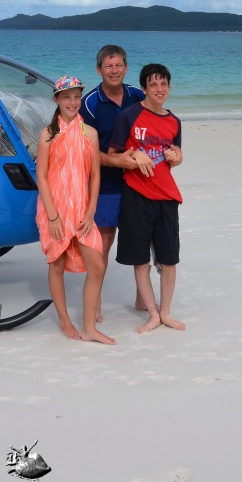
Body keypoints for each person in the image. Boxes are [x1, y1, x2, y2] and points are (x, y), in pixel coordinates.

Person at [35, 75, 115, 345]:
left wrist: (91, 211)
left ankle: (89, 327)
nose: (72, 102)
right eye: (67, 97)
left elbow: (95, 175)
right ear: (56, 99)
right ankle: (64, 321)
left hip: (81, 209)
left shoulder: (89, 133)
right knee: (56, 264)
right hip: (55, 209)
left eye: (77, 96)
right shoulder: (48, 134)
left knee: (97, 265)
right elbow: (41, 175)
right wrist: (53, 216)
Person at [79, 44, 155, 319]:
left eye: (119, 65)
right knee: (105, 239)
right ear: (99, 70)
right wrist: (118, 161)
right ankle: (95, 300)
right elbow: (85, 152)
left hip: (139, 180)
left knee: (142, 237)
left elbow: (155, 131)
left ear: (126, 67)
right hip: (106, 182)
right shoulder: (89, 103)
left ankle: (143, 297)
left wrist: (172, 151)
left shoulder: (138, 96)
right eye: (108, 66)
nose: (114, 71)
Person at [110, 63, 186, 334]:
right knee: (140, 259)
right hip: (137, 196)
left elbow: (175, 156)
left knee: (169, 259)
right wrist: (134, 155)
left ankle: (165, 312)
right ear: (143, 88)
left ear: (169, 87)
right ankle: (152, 314)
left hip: (167, 197)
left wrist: (177, 157)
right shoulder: (128, 116)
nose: (159, 89)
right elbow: (113, 155)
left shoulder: (174, 121)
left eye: (163, 84)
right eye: (153, 84)